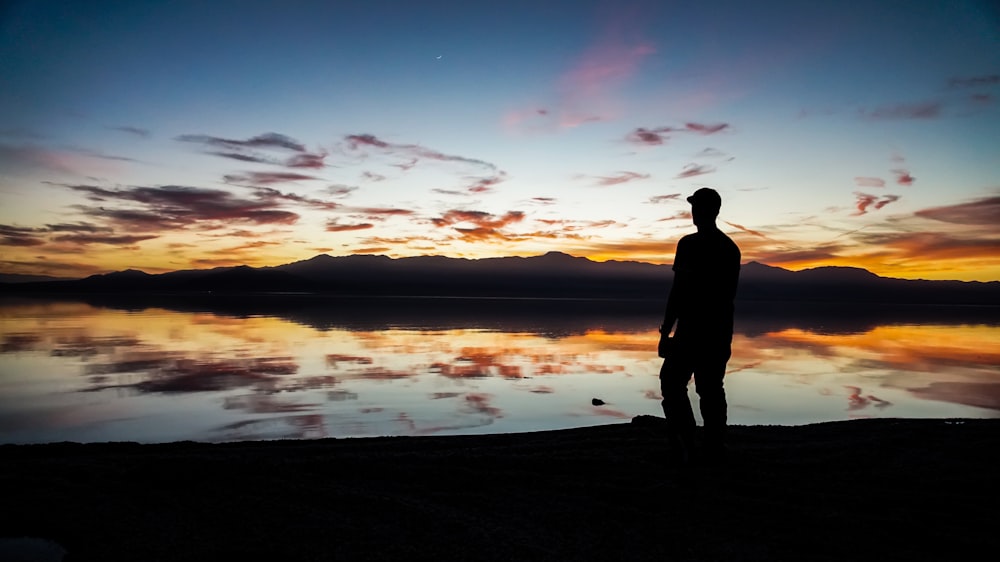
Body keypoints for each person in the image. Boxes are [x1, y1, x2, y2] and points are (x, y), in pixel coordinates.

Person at [658, 187, 741, 462]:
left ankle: (692, 442)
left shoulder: (690, 245)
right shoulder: (730, 248)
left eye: (697, 207)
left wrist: (667, 331)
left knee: (677, 383)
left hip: (695, 330)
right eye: (693, 206)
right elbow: (725, 295)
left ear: (710, 210)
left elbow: (678, 290)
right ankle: (709, 444)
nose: (694, 212)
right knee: (709, 388)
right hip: (717, 330)